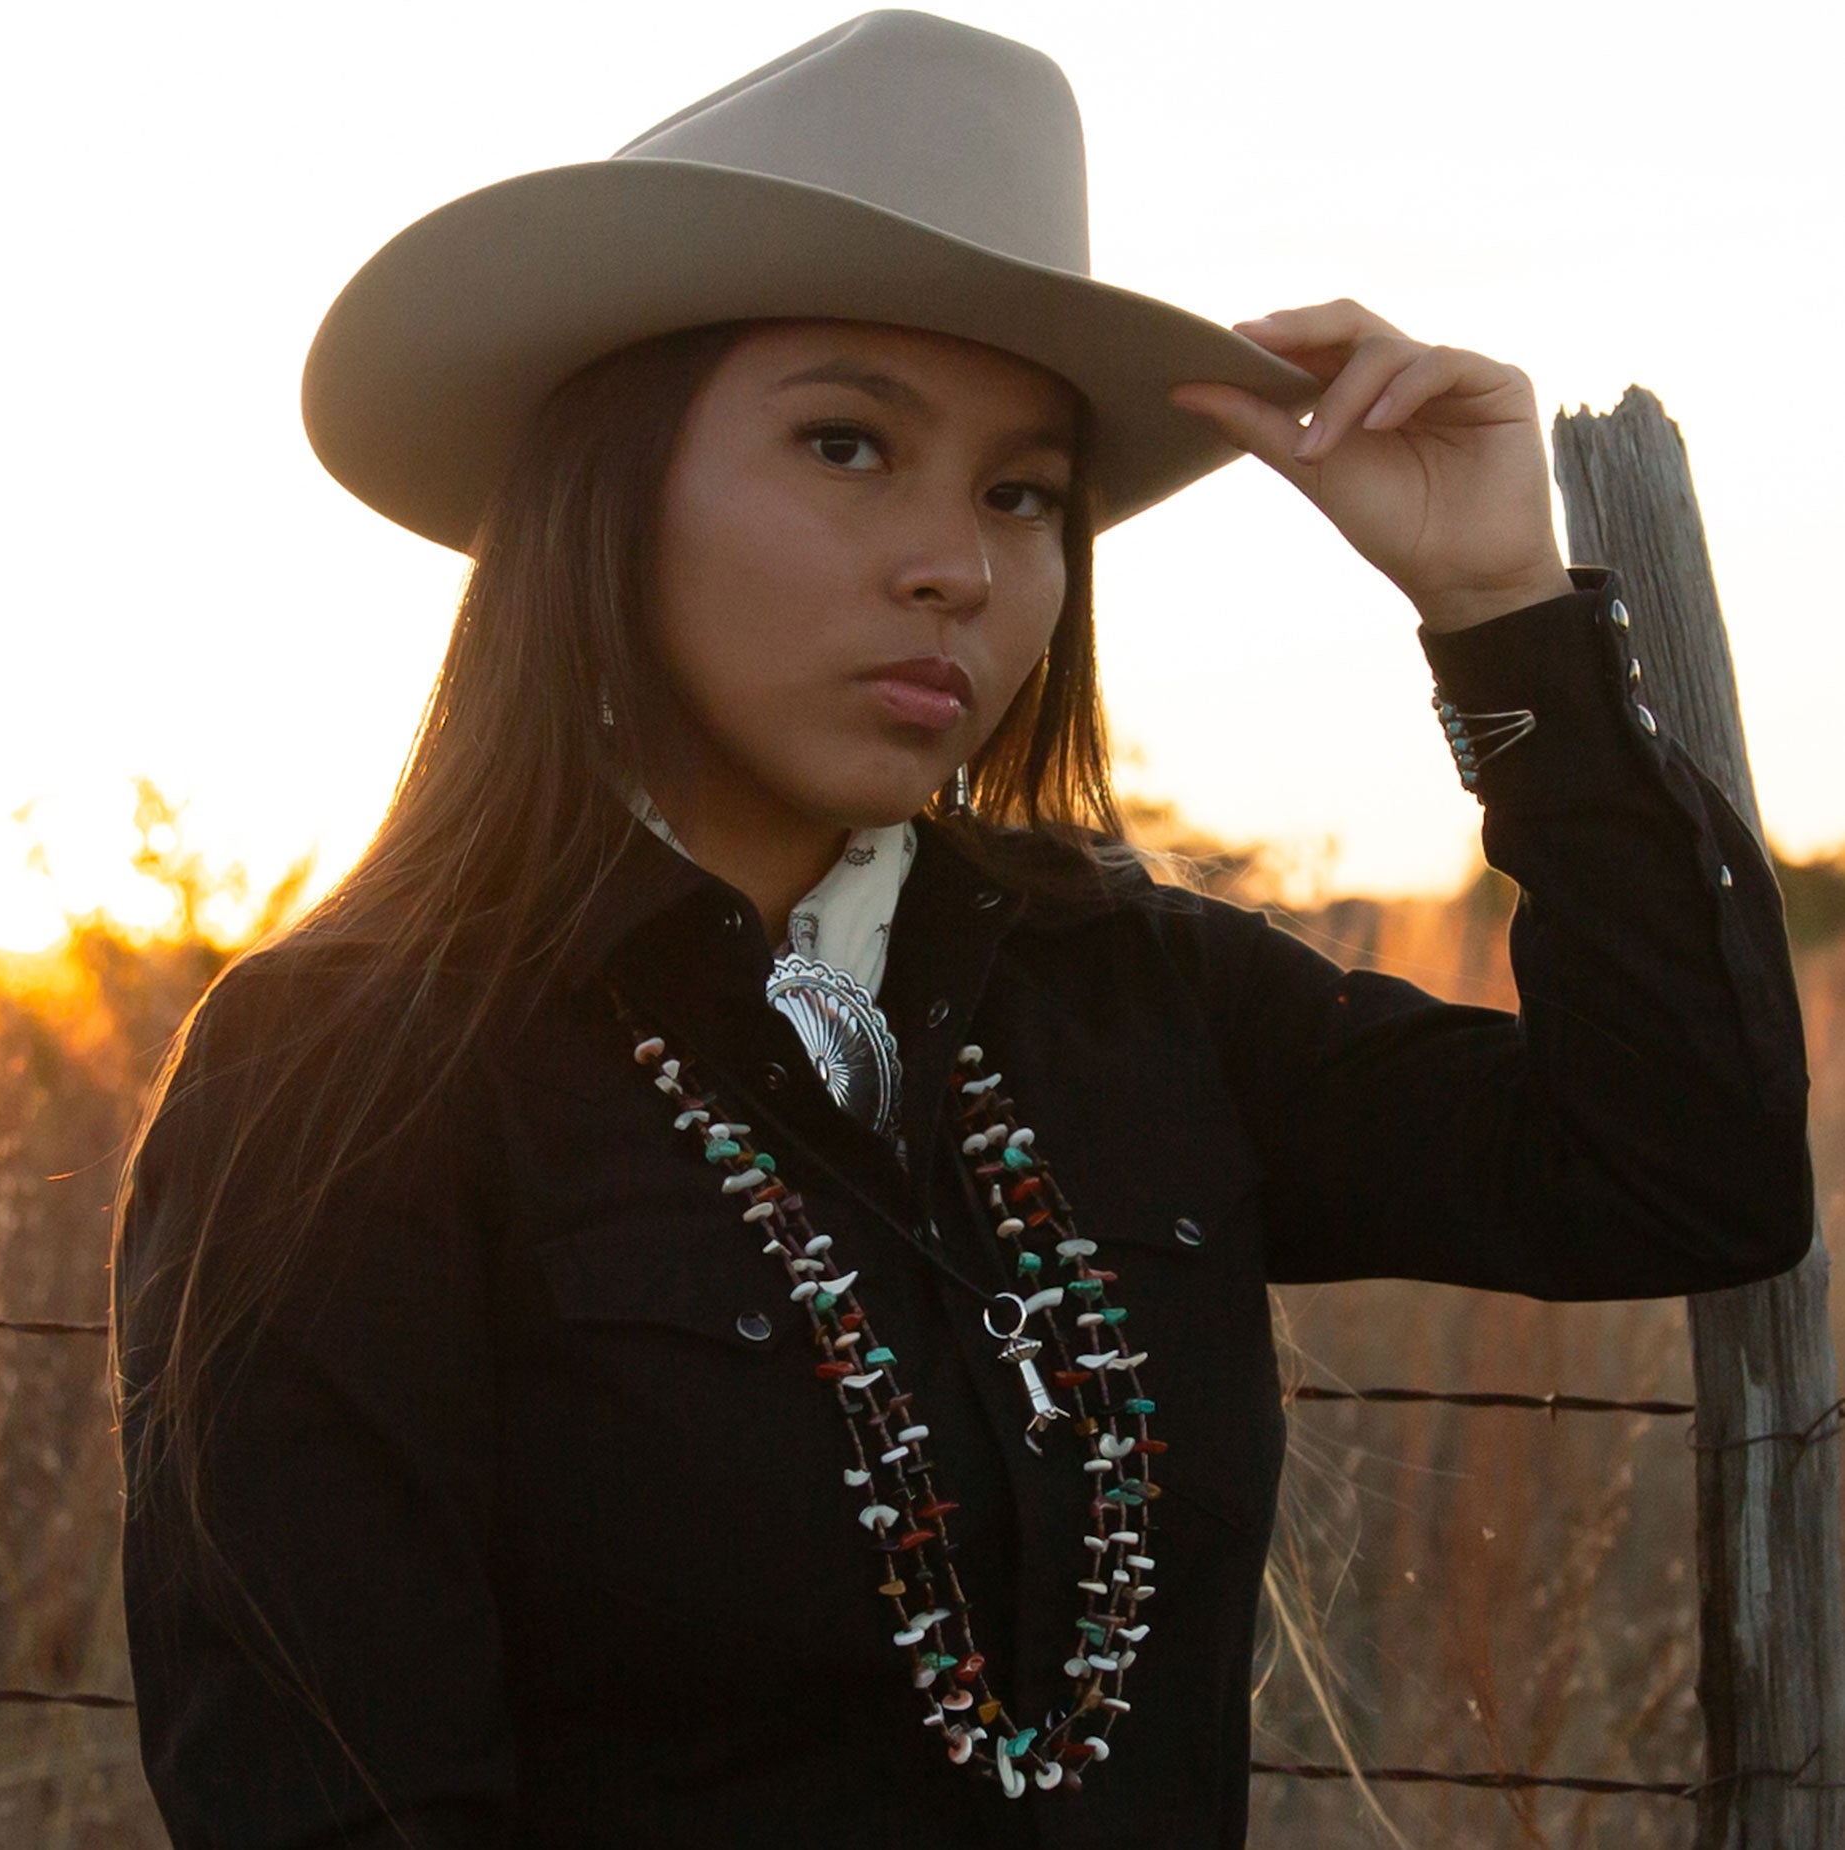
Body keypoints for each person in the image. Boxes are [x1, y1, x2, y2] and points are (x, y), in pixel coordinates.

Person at [111, 11, 1812, 1848]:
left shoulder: (1138, 990)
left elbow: (1678, 1171)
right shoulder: (353, 1064)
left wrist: (1497, 616)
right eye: (847, 445)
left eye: (1022, 492)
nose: (960, 562)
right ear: (601, 494)